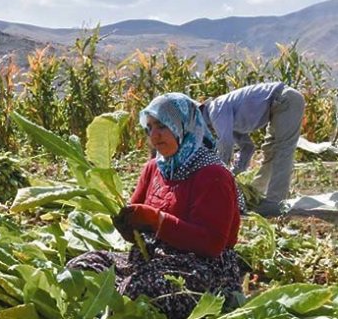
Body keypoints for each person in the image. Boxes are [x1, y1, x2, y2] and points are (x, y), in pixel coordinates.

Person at [67, 93, 242, 319]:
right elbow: (137, 220)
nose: (155, 135)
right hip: (151, 257)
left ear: (183, 125)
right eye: (149, 128)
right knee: (81, 267)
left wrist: (156, 220)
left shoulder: (213, 174)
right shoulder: (154, 167)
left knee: (138, 292)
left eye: (162, 126)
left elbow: (212, 243)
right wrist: (126, 224)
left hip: (202, 268)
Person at [200, 82, 305, 216]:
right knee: (270, 150)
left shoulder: (216, 109)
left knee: (282, 150)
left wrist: (219, 176)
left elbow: (226, 143)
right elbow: (248, 148)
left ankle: (275, 203)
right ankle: (258, 192)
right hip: (276, 105)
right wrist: (235, 172)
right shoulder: (225, 119)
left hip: (285, 100)